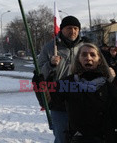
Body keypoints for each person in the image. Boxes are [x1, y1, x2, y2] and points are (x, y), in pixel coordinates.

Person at [49, 43, 117, 142]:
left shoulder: (108, 87)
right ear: (78, 59)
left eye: (93, 55)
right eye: (84, 54)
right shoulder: (69, 83)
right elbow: (50, 100)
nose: (88, 58)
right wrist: (45, 79)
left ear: (99, 60)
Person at [38, 15, 87, 143]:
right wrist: (50, 65)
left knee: (83, 137)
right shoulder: (49, 47)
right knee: (62, 137)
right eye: (69, 28)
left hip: (82, 99)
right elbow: (39, 73)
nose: (73, 31)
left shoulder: (85, 46)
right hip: (59, 99)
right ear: (62, 29)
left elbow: (98, 66)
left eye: (76, 28)